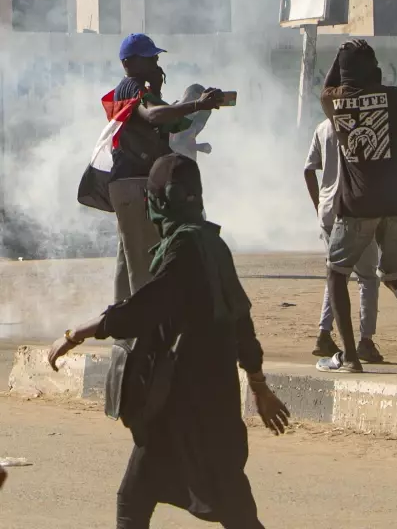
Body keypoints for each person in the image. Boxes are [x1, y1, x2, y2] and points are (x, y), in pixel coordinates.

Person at [47, 154, 290, 529]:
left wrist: (79, 332)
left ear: (158, 202)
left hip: (183, 404)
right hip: (211, 403)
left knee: (149, 501)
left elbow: (147, 307)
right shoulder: (212, 244)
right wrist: (257, 383)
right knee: (207, 504)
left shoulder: (183, 248)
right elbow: (241, 319)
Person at [316, 40, 397, 375]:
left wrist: (339, 55)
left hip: (358, 206)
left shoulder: (334, 101)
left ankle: (350, 356)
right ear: (374, 69)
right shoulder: (391, 97)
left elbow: (328, 85)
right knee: (395, 276)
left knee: (336, 274)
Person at [109, 34, 223, 302]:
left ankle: (124, 334)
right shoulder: (131, 86)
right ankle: (142, 335)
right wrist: (197, 104)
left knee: (128, 263)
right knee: (143, 266)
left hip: (131, 183)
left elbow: (162, 120)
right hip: (135, 182)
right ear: (130, 62)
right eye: (150, 57)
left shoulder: (141, 90)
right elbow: (153, 116)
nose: (157, 61)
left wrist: (158, 90)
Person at [305, 118, 382, 363]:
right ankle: (365, 341)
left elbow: (309, 170)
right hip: (355, 209)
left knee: (336, 274)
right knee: (368, 278)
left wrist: (319, 205)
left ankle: (324, 333)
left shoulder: (323, 126)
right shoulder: (365, 124)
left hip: (328, 210)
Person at [170, 83, 215, 162]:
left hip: (185, 162)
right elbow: (173, 142)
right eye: (195, 97)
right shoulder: (176, 114)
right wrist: (199, 147)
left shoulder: (195, 116)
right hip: (175, 162)